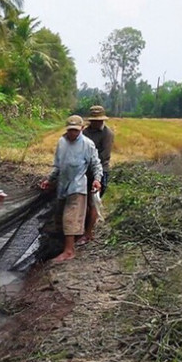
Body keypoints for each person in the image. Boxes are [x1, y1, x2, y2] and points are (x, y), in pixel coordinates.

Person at [39, 115, 103, 262]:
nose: (72, 133)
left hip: (78, 185)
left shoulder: (88, 144)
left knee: (70, 218)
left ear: (81, 128)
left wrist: (97, 180)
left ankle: (69, 251)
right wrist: (49, 180)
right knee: (60, 218)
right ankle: (64, 246)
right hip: (63, 185)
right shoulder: (61, 142)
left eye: (75, 130)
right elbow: (58, 166)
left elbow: (96, 165)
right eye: (70, 130)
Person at [78, 105, 115, 245]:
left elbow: (104, 156)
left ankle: (88, 233)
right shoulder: (85, 133)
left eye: (98, 120)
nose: (96, 123)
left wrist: (95, 172)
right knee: (84, 201)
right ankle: (82, 229)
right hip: (85, 171)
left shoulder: (107, 134)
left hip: (100, 170)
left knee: (93, 201)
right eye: (94, 120)